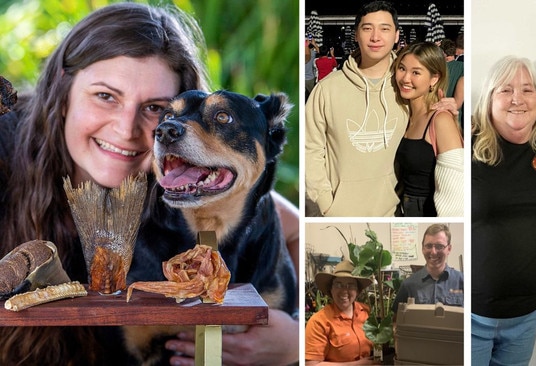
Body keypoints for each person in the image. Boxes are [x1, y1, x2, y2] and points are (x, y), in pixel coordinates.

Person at [0, 3, 299, 365]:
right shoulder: (7, 147)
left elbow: (292, 228)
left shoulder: (182, 186)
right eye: (105, 96)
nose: (126, 130)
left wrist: (297, 341)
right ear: (64, 90)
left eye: (155, 107)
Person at [470, 56, 536, 365]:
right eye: (506, 90)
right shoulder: (464, 146)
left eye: (527, 90)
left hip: (527, 315)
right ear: (488, 99)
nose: (517, 99)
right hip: (471, 315)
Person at [304, 1, 407, 217]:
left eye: (385, 29)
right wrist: (326, 204)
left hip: (394, 213)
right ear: (357, 35)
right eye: (367, 28)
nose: (375, 37)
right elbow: (310, 149)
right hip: (339, 213)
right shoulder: (327, 89)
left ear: (397, 35)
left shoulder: (408, 87)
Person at [393, 42, 464, 217]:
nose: (405, 78)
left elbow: (456, 188)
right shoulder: (403, 115)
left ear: (434, 79)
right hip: (402, 210)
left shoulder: (440, 119)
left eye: (416, 72)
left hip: (428, 213)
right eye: (402, 69)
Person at [305, 260, 376, 365]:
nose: (344, 291)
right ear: (331, 289)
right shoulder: (319, 321)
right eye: (338, 285)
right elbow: (311, 364)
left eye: (350, 285)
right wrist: (357, 365)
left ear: (357, 291)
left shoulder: (366, 312)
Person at [391, 224, 464, 314]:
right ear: (422, 248)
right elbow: (396, 319)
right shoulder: (408, 285)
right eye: (429, 246)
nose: (433, 252)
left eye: (439, 246)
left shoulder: (463, 281)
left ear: (449, 249)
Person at [439, 38, 465, 128]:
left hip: (438, 115)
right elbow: (458, 102)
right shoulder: (463, 67)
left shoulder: (437, 68)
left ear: (443, 53)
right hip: (456, 118)